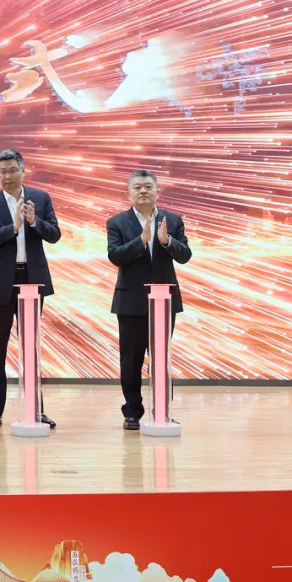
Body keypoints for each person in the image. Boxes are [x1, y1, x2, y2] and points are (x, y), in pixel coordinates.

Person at [0, 149, 61, 430]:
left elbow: (55, 235)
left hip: (32, 281)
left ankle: (36, 410)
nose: (7, 176)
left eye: (13, 170)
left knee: (31, 349)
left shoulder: (40, 198)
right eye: (2, 171)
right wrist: (12, 228)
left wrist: (35, 222)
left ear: (23, 171)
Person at [107, 170, 192, 430]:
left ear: (157, 192)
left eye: (148, 187)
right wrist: (141, 241)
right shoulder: (117, 222)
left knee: (161, 359)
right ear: (128, 194)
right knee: (131, 359)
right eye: (137, 187)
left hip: (164, 301)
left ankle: (162, 411)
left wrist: (167, 242)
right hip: (131, 301)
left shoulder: (173, 220)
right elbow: (115, 256)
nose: (143, 191)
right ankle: (132, 412)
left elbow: (185, 255)